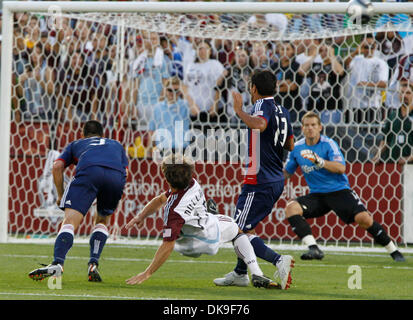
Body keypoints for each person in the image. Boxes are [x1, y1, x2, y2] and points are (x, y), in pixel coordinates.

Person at [125, 155, 281, 289]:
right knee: (238, 230)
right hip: (209, 234)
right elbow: (162, 202)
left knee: (194, 226)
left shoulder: (173, 210)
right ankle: (256, 273)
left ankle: (241, 275)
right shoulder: (192, 183)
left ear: (166, 178)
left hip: (188, 246)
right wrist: (148, 271)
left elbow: (167, 240)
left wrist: (147, 272)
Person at [283, 111, 405, 262]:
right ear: (302, 128)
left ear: (320, 127)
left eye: (313, 125)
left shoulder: (329, 144)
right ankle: (313, 249)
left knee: (364, 219)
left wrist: (319, 161)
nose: (310, 128)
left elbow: (341, 168)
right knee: (291, 208)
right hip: (317, 195)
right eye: (306, 125)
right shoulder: (297, 148)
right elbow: (286, 173)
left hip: (339, 191)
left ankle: (394, 251)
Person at [213, 69, 295, 289]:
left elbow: (259, 125)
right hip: (276, 177)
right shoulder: (283, 110)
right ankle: (240, 273)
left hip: (260, 179)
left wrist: (238, 110)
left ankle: (278, 260)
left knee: (236, 230)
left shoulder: (261, 106)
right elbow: (290, 145)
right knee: (245, 230)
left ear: (254, 89)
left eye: (250, 86)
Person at [29, 120, 129, 282]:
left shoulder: (77, 143)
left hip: (89, 172)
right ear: (103, 135)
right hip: (115, 178)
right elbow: (125, 171)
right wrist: (113, 190)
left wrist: (61, 195)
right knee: (102, 219)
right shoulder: (116, 144)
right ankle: (93, 263)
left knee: (69, 222)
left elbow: (57, 167)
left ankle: (58, 263)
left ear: (82, 134)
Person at [373, 77, 413, 164]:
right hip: (392, 163)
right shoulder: (393, 116)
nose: (404, 96)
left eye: (408, 93)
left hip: (410, 166)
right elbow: (385, 140)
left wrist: (410, 158)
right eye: (402, 93)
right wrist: (377, 155)